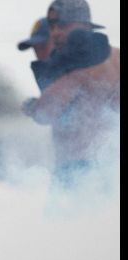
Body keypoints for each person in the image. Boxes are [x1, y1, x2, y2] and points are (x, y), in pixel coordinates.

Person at [22, 0, 120, 186]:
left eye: (63, 25)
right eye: (52, 25)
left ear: (83, 24)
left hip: (80, 171)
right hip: (110, 167)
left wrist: (32, 106)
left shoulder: (78, 69)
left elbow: (45, 113)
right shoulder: (116, 57)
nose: (56, 32)